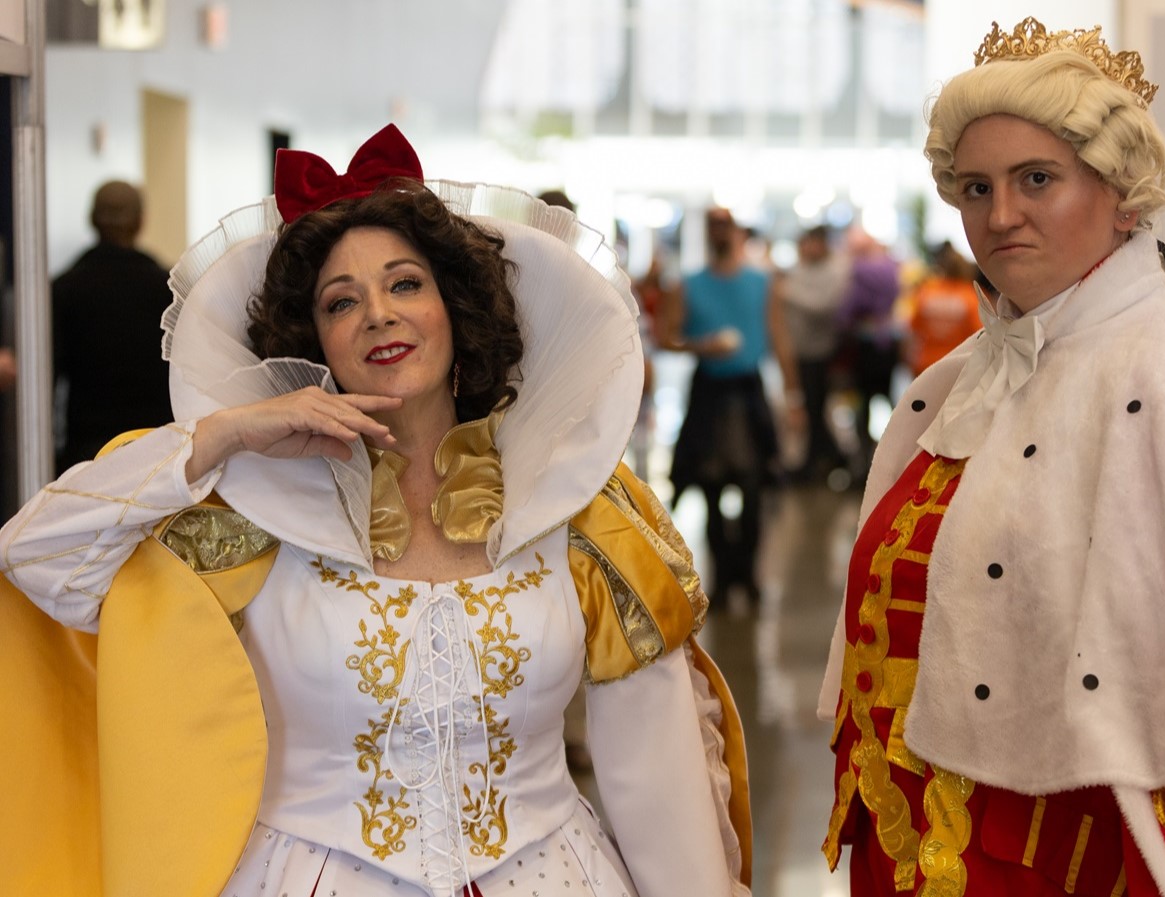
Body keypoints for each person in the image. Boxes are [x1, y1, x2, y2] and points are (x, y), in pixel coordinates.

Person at [2, 125, 750, 897]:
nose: (378, 314)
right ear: (313, 341)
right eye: (341, 301)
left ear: (455, 308)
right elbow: (35, 556)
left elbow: (659, 772)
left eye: (405, 284)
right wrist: (223, 435)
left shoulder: (574, 504)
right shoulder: (248, 509)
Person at [820, 18, 1165, 897]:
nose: (1000, 215)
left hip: (1055, 859)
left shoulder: (1158, 377)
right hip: (912, 840)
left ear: (1122, 198)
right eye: (975, 187)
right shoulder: (962, 378)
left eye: (1036, 179)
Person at [660, 206, 792, 610]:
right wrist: (701, 346)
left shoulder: (761, 282)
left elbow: (778, 335)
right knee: (710, 486)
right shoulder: (688, 285)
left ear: (736, 232)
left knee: (754, 486)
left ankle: (748, 576)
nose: (719, 233)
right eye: (713, 227)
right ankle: (720, 577)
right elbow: (666, 336)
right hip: (709, 392)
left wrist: (795, 395)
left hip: (748, 390)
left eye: (725, 226)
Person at [51, 179, 174, 472]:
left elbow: (49, 377)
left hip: (85, 459)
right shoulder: (168, 288)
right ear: (141, 221)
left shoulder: (64, 288)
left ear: (92, 220)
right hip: (157, 455)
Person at [775, 224, 849, 482]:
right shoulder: (798, 270)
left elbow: (822, 306)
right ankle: (828, 456)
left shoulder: (835, 270)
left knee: (816, 406)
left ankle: (823, 459)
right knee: (808, 406)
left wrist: (787, 292)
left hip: (821, 351)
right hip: (798, 350)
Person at [835, 228, 901, 472]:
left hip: (864, 345)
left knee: (862, 403)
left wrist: (843, 323)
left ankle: (864, 461)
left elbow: (848, 309)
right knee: (890, 398)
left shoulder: (859, 271)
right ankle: (897, 454)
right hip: (888, 342)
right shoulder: (892, 267)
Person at [904, 241, 982, 377]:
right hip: (957, 368)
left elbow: (913, 330)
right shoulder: (971, 296)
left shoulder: (927, 291)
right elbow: (980, 335)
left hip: (925, 366)